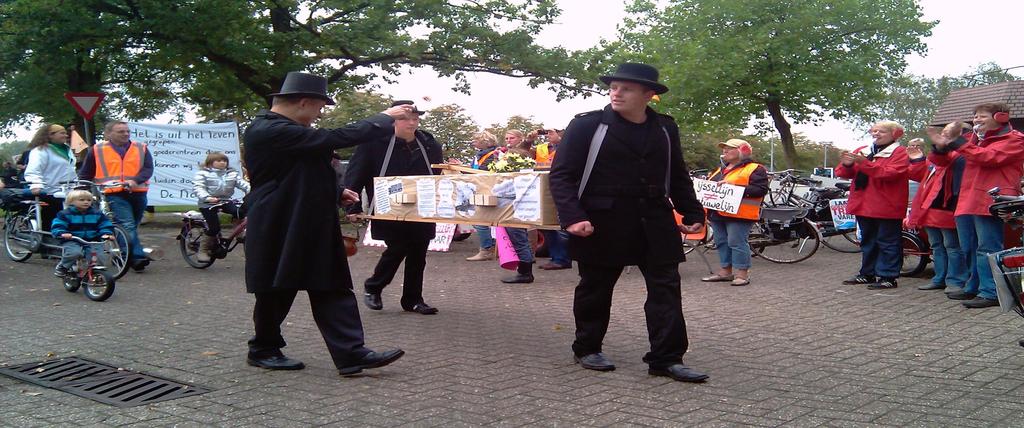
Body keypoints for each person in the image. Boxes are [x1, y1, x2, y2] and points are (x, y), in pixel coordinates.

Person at [548, 62, 708, 383]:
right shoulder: (588, 126)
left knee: (666, 288)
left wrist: (692, 213)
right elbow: (562, 175)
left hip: (655, 218)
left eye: (626, 88)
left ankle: (666, 357)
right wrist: (573, 217)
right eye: (614, 86)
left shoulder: (664, 127)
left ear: (648, 95)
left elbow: (677, 174)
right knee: (596, 287)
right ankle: (587, 347)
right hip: (602, 219)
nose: (616, 92)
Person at [243, 71, 409, 375]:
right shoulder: (268, 130)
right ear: (305, 102)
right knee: (276, 287)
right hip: (279, 220)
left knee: (331, 284)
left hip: (308, 219)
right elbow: (334, 138)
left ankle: (351, 354)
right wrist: (384, 117)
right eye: (320, 107)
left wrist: (335, 192)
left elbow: (298, 171)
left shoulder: (286, 131)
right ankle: (264, 348)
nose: (320, 114)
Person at [344, 100, 443, 315]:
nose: (412, 122)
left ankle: (413, 299)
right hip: (389, 206)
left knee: (418, 253)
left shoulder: (428, 144)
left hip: (422, 207)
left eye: (415, 118)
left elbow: (437, 175)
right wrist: (352, 207)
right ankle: (374, 286)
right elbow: (356, 174)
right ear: (391, 120)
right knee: (399, 247)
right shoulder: (374, 143)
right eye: (405, 117)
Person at [928, 102, 1024, 308]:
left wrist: (956, 142)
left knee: (987, 248)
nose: (977, 120)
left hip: (991, 200)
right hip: (968, 199)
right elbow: (944, 162)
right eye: (976, 116)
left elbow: (989, 158)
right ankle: (974, 286)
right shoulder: (973, 140)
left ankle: (990, 291)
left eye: (982, 116)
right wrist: (940, 146)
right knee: (969, 247)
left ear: (1000, 117)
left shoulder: (1015, 139)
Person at [836, 121, 909, 289]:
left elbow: (889, 174)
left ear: (894, 134)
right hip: (864, 204)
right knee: (868, 241)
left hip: (887, 205)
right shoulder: (864, 150)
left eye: (881, 131)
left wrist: (864, 163)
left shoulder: (900, 152)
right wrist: (847, 164)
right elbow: (843, 173)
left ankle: (888, 276)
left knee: (888, 242)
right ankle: (867, 273)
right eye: (874, 130)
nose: (876, 133)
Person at [78, 121, 154, 272]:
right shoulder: (97, 150)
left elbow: (148, 169)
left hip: (138, 191)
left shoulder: (141, 148)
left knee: (132, 225)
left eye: (127, 131)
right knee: (127, 225)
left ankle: (121, 251)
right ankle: (136, 257)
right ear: (108, 134)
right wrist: (81, 189)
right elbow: (87, 171)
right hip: (114, 193)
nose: (125, 134)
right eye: (121, 131)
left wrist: (135, 180)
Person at [700, 139, 769, 286]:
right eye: (724, 148)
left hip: (740, 214)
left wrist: (735, 186)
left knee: (736, 242)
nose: (724, 151)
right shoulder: (721, 169)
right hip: (718, 213)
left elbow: (760, 190)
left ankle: (742, 274)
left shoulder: (755, 168)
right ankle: (726, 271)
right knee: (721, 242)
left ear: (743, 150)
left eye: (730, 148)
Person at [905, 136, 968, 293]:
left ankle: (955, 280)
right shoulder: (933, 161)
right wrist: (917, 160)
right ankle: (940, 278)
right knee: (937, 245)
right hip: (930, 209)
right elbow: (917, 175)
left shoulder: (957, 158)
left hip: (946, 208)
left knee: (952, 245)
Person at [192, 152, 250, 262]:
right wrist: (208, 198)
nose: (222, 162)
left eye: (224, 160)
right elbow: (198, 188)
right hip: (208, 203)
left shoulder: (231, 174)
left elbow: (243, 184)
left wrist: (252, 190)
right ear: (210, 163)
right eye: (218, 160)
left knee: (240, 212)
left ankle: (238, 232)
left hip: (225, 201)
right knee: (214, 228)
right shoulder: (202, 174)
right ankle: (203, 250)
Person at [498, 129, 537, 283]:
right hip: (518, 204)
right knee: (520, 239)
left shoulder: (518, 163)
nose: (508, 140)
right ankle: (524, 271)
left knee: (519, 239)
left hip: (514, 205)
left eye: (511, 138)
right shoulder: (522, 155)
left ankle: (525, 273)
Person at [530, 129, 571, 270]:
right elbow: (524, 153)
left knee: (559, 226)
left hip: (562, 190)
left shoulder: (568, 145)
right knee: (547, 226)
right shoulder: (542, 148)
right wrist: (529, 140)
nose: (548, 135)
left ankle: (562, 259)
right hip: (545, 189)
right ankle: (556, 257)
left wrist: (559, 141)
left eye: (552, 132)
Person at [24, 124, 77, 231]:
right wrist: (36, 185)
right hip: (49, 191)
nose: (66, 135)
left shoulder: (67, 149)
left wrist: (77, 184)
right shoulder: (40, 151)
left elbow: (71, 170)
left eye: (65, 133)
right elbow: (33, 170)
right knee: (52, 217)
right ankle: (47, 242)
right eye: (62, 133)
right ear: (50, 135)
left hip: (67, 191)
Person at [50, 189, 114, 277]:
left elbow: (104, 224)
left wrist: (106, 233)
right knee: (74, 253)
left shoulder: (97, 213)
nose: (86, 202)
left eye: (89, 200)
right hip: (73, 239)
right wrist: (62, 233)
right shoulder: (65, 214)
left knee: (98, 256)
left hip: (92, 239)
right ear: (71, 201)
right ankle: (63, 266)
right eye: (82, 200)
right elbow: (58, 224)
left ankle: (95, 273)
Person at [462, 131, 502, 261]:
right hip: (480, 189)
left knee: (480, 220)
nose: (473, 142)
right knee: (480, 220)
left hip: (488, 190)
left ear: (484, 141)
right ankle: (490, 246)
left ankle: (487, 249)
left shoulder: (492, 155)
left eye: (476, 140)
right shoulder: (479, 156)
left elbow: (482, 173)